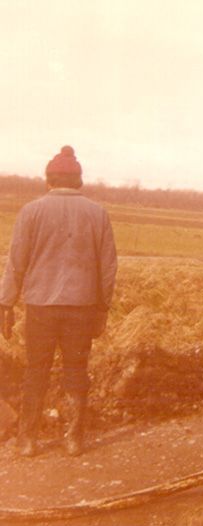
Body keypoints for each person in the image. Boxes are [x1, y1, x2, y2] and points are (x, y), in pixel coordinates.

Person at [0, 146, 117, 457]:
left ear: (48, 180)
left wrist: (6, 303)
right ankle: (74, 438)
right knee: (76, 370)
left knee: (35, 371)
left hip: (40, 309)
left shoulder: (31, 212)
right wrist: (103, 307)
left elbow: (16, 263)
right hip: (81, 309)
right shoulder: (98, 214)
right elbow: (108, 267)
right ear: (78, 181)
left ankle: (27, 440)